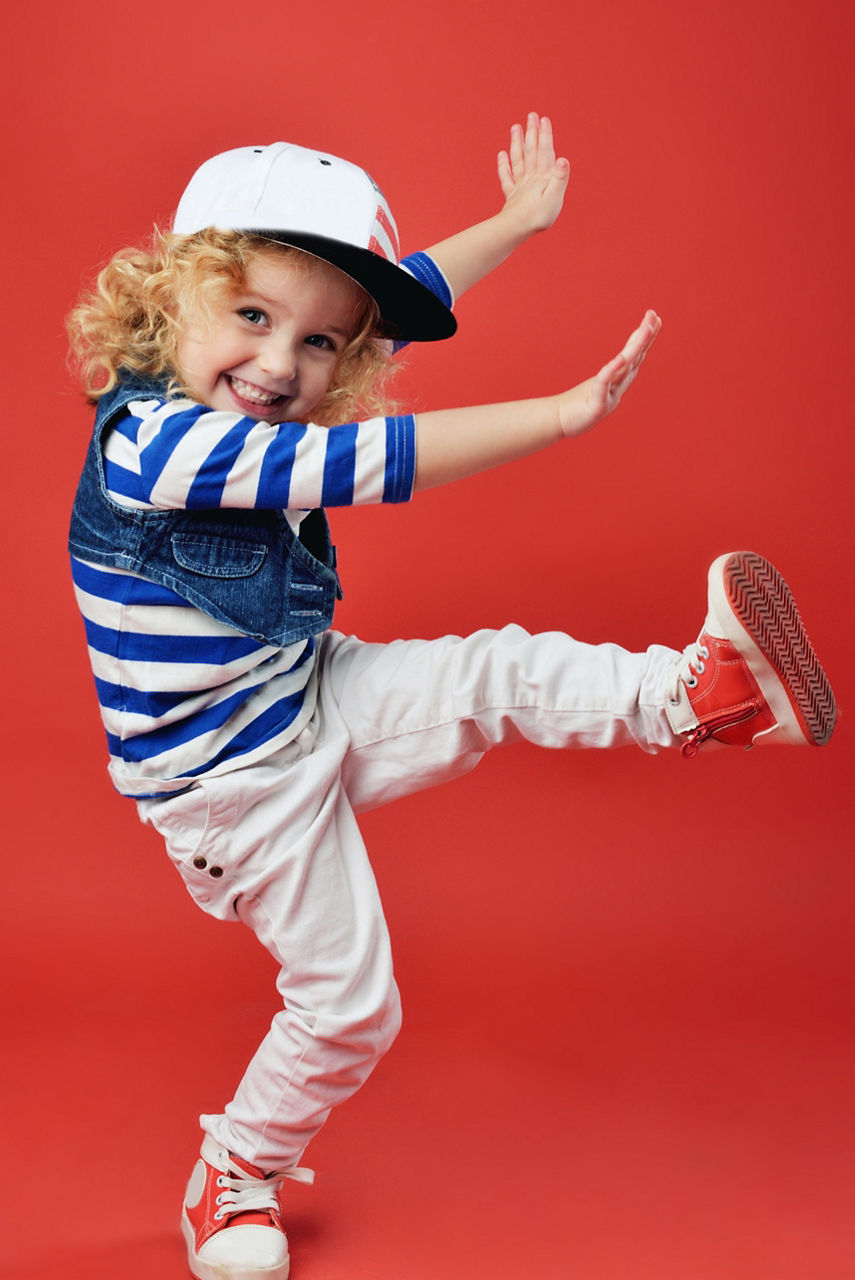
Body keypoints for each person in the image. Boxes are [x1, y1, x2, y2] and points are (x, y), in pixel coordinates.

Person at [67, 114, 836, 1280]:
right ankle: (236, 1171)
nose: (281, 366)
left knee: (494, 668)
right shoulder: (162, 446)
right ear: (165, 296)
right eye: (253, 319)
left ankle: (706, 694)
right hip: (234, 790)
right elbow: (377, 465)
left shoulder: (253, 387)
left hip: (306, 692)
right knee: (352, 1010)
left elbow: (402, 287)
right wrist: (564, 416)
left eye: (323, 344)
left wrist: (516, 226)